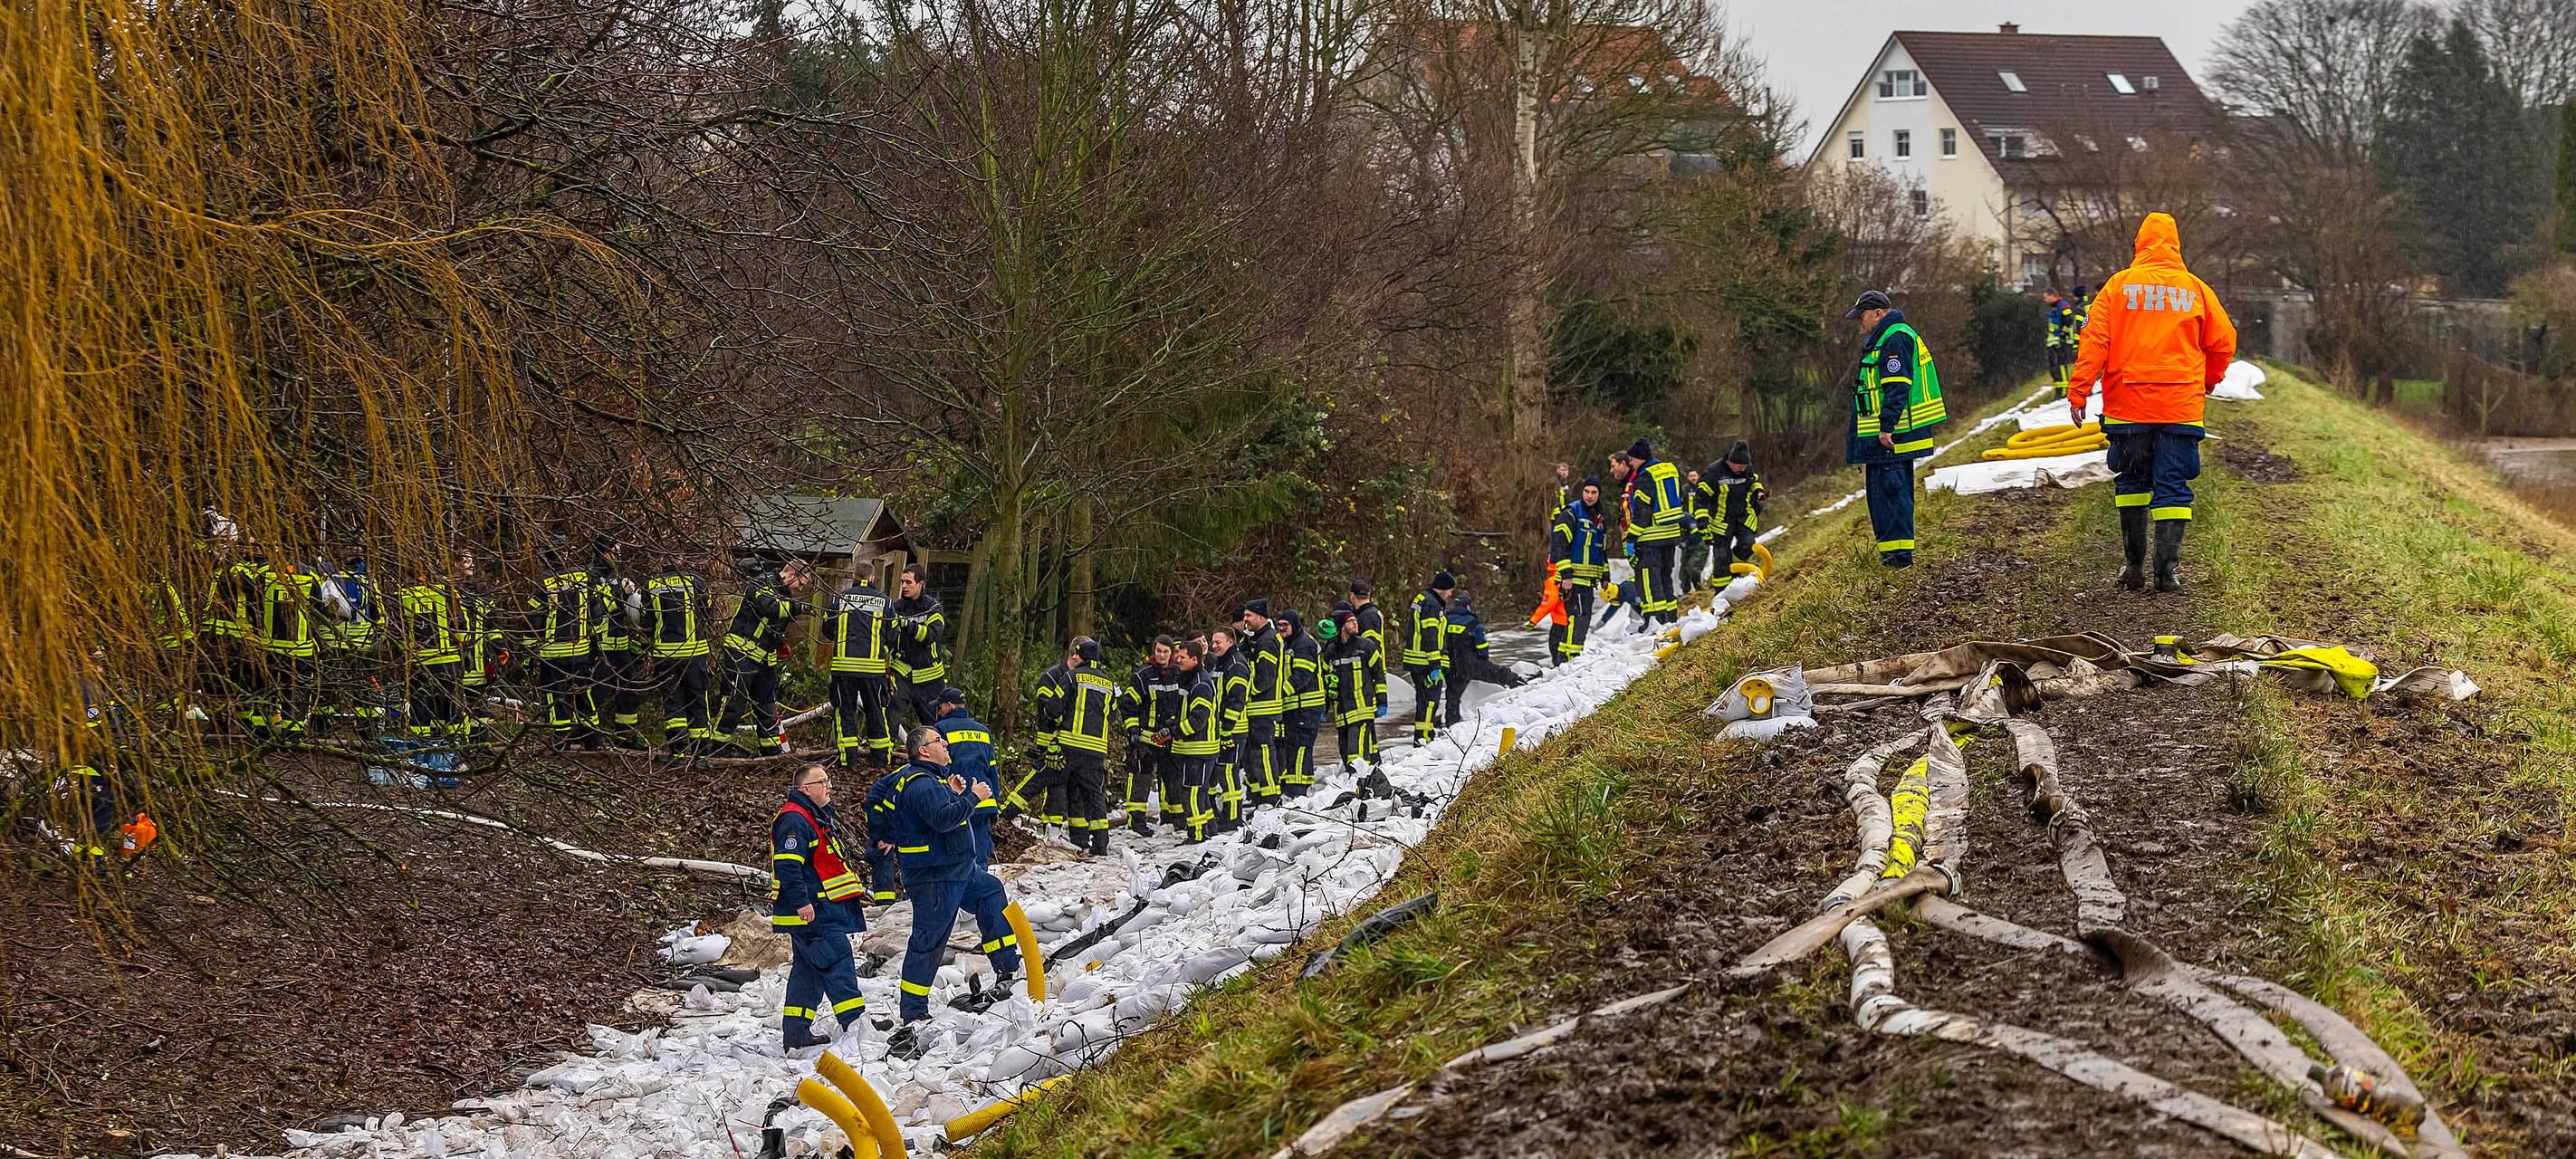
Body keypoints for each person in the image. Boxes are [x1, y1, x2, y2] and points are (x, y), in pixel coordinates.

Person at [2070, 213, 2236, 592]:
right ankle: (2167, 573)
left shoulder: (2117, 287)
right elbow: (2224, 342)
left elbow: (2094, 341)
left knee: (2132, 480)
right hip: (2180, 406)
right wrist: (2207, 381)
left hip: (2128, 407)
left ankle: (2133, 568)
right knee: (2173, 486)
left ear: (2139, 244)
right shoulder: (2196, 290)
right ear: (2177, 246)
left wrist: (2079, 390)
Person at [874, 728, 1010, 1062]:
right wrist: (973, 797)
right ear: (923, 751)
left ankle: (1007, 969)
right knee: (929, 941)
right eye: (939, 742)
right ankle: (913, 1012)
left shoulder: (933, 781)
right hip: (934, 876)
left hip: (959, 869)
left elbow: (941, 811)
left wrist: (955, 793)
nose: (946, 745)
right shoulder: (919, 783)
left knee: (992, 894)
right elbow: (944, 819)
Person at [1844, 289, 1949, 569]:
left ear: (1878, 314)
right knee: (1884, 497)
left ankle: (1898, 559)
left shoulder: (1894, 339)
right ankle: (1893, 555)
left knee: (1890, 495)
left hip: (1892, 437)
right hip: (1885, 437)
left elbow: (1897, 386)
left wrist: (1886, 427)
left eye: (1862, 317)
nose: (1860, 323)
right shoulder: (1887, 337)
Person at [770, 764, 869, 1050]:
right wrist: (802, 903)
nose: (829, 786)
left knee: (807, 972)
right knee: (836, 959)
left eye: (828, 780)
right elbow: (788, 865)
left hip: (818, 908)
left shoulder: (812, 817)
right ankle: (855, 1023)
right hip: (813, 910)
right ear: (805, 789)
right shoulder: (795, 820)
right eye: (822, 781)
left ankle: (796, 1033)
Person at [714, 560, 813, 757]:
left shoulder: (784, 595)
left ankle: (771, 751)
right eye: (800, 584)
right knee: (734, 703)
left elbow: (771, 625)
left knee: (767, 705)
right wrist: (799, 608)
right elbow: (769, 608)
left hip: (764, 658)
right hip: (741, 653)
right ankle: (715, 749)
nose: (800, 589)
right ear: (791, 574)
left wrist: (780, 644)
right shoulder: (761, 583)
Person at [1032, 637, 1119, 853]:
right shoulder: (1109, 683)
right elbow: (1112, 716)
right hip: (1097, 750)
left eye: (1078, 654)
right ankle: (1099, 843)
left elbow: (1052, 709)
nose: (1074, 657)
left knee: (1056, 788)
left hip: (1068, 746)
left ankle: (1052, 834)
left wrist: (1061, 721)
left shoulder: (1071, 677)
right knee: (1093, 796)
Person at [531, 546, 608, 749]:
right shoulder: (584, 577)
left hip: (552, 653)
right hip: (580, 650)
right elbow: (597, 611)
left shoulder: (544, 581)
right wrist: (594, 637)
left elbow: (534, 617)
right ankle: (593, 740)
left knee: (556, 697)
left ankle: (561, 742)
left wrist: (529, 647)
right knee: (583, 693)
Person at [823, 570, 898, 771]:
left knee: (845, 712)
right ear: (873, 578)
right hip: (873, 671)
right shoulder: (886, 602)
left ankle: (850, 761)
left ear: (854, 577)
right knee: (876, 712)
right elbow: (894, 634)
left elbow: (827, 630)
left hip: (843, 668)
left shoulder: (839, 598)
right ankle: (881, 760)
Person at [641, 560, 716, 756]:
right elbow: (709, 614)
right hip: (694, 654)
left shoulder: (651, 585)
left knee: (672, 704)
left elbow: (646, 621)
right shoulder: (696, 582)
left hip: (665, 655)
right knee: (698, 701)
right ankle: (701, 756)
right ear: (681, 560)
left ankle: (678, 754)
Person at [1617, 438, 1688, 624]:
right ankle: (1671, 618)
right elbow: (1682, 497)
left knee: (1651, 580)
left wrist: (1632, 538)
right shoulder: (1669, 470)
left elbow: (1643, 511)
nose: (1631, 464)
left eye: (1632, 460)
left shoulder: (1644, 476)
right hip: (1672, 534)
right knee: (1666, 578)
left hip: (1651, 538)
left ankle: (1656, 621)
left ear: (1639, 458)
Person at [393, 573, 467, 744]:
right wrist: (462, 649)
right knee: (451, 709)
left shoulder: (402, 594)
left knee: (419, 710)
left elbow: (397, 631)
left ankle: (420, 748)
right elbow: (460, 626)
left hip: (419, 664)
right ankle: (454, 748)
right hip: (448, 661)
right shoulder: (447, 592)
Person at [1119, 637, 1182, 834]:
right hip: (1146, 739)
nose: (1161, 655)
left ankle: (1172, 820)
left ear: (1172, 653)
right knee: (1141, 779)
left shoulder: (1178, 674)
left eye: (1165, 651)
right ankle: (1136, 822)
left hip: (1169, 737)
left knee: (1171, 779)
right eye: (1158, 651)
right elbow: (1128, 705)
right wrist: (1133, 731)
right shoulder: (1143, 675)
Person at [591, 541, 646, 749]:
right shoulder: (592, 577)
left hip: (620, 645)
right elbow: (599, 608)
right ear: (603, 552)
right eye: (614, 552)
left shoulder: (615, 576)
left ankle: (626, 737)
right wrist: (622, 594)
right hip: (600, 646)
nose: (617, 556)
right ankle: (587, 736)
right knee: (595, 693)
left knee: (629, 691)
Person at [1440, 591, 1526, 723]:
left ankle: (1452, 722)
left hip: (1451, 666)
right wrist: (1483, 659)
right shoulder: (1473, 622)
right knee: (1499, 673)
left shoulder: (1445, 620)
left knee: (1452, 697)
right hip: (1471, 663)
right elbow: (1481, 646)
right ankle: (1520, 686)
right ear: (1467, 606)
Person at [1547, 479, 1607, 665]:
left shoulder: (1599, 517)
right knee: (1578, 618)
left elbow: (1600, 550)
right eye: (1587, 491)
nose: (1590, 496)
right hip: (1573, 578)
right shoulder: (1572, 513)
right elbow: (1559, 545)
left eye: (1594, 492)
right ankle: (1567, 659)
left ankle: (1569, 657)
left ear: (1599, 494)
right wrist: (1566, 575)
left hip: (1588, 579)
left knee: (1582, 618)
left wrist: (1605, 576)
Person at [1168, 639, 1223, 841]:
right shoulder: (1190, 679)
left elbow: (1197, 720)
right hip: (1194, 749)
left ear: (1195, 659)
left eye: (1182, 657)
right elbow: (1184, 711)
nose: (1177, 660)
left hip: (1199, 749)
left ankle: (1197, 835)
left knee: (1191, 793)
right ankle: (1209, 830)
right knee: (1198, 793)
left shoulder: (1200, 684)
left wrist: (1175, 732)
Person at [1237, 599, 1288, 809]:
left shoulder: (1267, 640)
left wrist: (1245, 692)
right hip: (1256, 709)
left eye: (1249, 616)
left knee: (1263, 754)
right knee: (1252, 757)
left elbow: (1265, 678)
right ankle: (1259, 798)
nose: (1245, 620)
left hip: (1263, 708)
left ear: (1260, 617)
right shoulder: (1256, 639)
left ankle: (1270, 799)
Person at [888, 565, 948, 728]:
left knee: (935, 725)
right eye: (902, 582)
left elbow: (930, 636)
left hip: (930, 679)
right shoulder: (896, 608)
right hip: (902, 672)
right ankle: (886, 751)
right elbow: (888, 638)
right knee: (891, 717)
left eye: (908, 582)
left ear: (920, 584)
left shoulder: (933, 608)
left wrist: (909, 625)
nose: (904, 586)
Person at [1323, 606, 1382, 769]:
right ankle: (1352, 776)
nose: (1356, 623)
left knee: (1357, 748)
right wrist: (1325, 706)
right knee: (1344, 747)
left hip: (1363, 708)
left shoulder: (1366, 647)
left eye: (1355, 620)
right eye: (1351, 621)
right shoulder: (1332, 650)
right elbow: (1325, 679)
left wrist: (1382, 701)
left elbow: (1379, 675)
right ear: (1342, 626)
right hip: (1342, 710)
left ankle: (1360, 778)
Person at [1698, 443, 1767, 580]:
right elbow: (1701, 499)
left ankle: (1735, 571)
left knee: (1748, 545)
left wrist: (1759, 492)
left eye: (1745, 466)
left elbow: (1753, 482)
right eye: (1739, 466)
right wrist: (1702, 522)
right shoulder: (1714, 472)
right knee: (1722, 556)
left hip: (1743, 517)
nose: (1742, 469)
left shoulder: (1747, 468)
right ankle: (1721, 591)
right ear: (1730, 461)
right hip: (1720, 522)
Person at [1207, 626, 1251, 831]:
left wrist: (1227, 729)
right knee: (1223, 771)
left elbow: (1236, 700)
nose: (1214, 645)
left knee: (1228, 772)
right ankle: (1228, 815)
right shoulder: (1221, 663)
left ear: (1230, 643)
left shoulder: (1236, 665)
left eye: (1218, 642)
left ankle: (1233, 818)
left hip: (1233, 730)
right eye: (1213, 642)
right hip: (1223, 729)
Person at [1401, 573, 1454, 744]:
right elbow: (1430, 636)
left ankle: (1424, 736)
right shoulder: (1431, 604)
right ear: (1443, 588)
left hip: (1418, 660)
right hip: (1425, 662)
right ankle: (1424, 738)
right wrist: (1434, 666)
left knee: (1424, 700)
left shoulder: (1424, 598)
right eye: (1450, 591)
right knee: (1430, 701)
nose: (1451, 594)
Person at [1279, 608, 1324, 797]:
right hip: (1296, 706)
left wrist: (1279, 693)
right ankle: (1303, 785)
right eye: (1279, 625)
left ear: (1294, 625)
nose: (1281, 629)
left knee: (1299, 747)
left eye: (1285, 625)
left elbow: (1302, 676)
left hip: (1305, 707)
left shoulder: (1304, 644)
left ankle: (1297, 788)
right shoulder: (1289, 644)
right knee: (1296, 747)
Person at [1347, 580, 1387, 718]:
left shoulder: (1367, 616)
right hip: (1367, 671)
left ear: (1352, 596)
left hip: (1366, 673)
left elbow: (1371, 647)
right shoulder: (1368, 613)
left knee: (1364, 717)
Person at [2045, 289, 2077, 388]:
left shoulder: (2063, 306)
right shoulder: (2054, 308)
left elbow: (2069, 321)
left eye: (2046, 297)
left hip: (2062, 342)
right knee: (2055, 367)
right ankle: (2059, 389)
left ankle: (2064, 390)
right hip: (2053, 342)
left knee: (2061, 365)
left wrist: (2063, 335)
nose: (2045, 300)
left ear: (2052, 295)